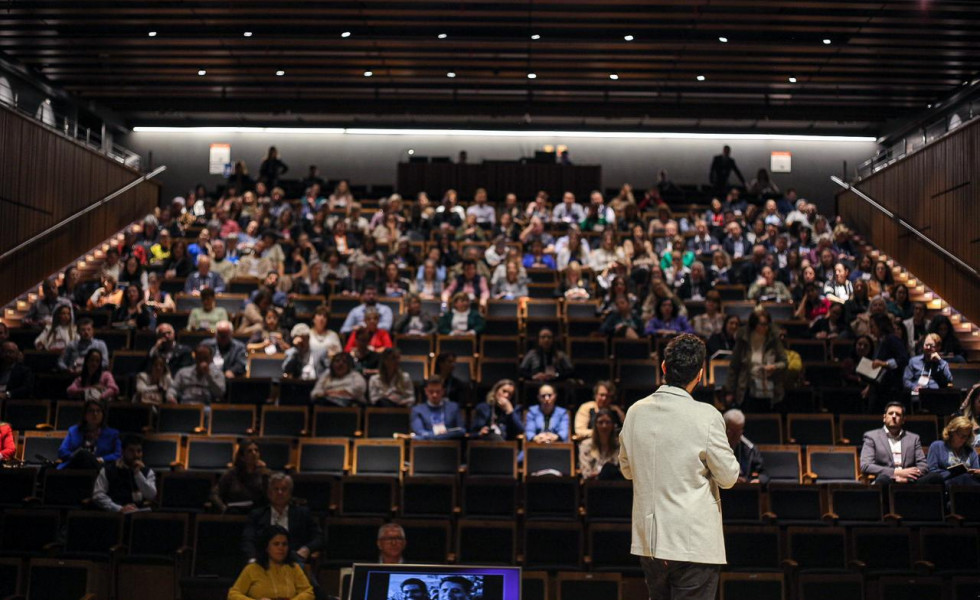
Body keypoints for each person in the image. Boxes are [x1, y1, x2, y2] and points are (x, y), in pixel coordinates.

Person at [620, 334, 739, 600]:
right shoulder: (707, 416)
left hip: (650, 543)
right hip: (692, 543)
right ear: (700, 373)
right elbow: (729, 477)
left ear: (663, 367)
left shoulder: (635, 412)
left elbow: (627, 470)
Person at [242, 473, 323, 564]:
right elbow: (248, 540)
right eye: (276, 489)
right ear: (269, 493)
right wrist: (252, 559)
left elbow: (319, 537)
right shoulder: (257, 515)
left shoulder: (302, 514)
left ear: (290, 493)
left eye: (284, 489)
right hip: (264, 562)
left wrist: (306, 549)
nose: (279, 493)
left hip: (294, 561)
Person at [227, 525, 314, 600]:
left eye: (284, 544)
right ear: (266, 547)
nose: (281, 548)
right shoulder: (252, 568)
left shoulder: (294, 567)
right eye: (276, 544)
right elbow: (233, 594)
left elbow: (308, 592)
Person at [725, 310, 787, 412]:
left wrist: (774, 367)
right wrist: (730, 391)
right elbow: (734, 366)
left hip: (768, 387)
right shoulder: (744, 338)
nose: (766, 327)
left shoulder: (774, 339)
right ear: (754, 324)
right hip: (746, 387)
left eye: (767, 324)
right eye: (762, 324)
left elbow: (784, 362)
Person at [859, 401, 928, 487]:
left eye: (898, 414)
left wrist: (907, 478)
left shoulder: (913, 438)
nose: (894, 416)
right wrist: (896, 473)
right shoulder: (871, 437)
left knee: (935, 477)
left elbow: (923, 465)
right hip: (886, 480)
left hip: (910, 481)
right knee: (883, 480)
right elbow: (866, 466)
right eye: (891, 413)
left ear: (903, 420)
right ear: (884, 418)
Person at [92, 435, 157, 513]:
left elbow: (151, 495)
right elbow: (98, 495)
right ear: (122, 451)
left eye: (139, 451)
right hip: (115, 514)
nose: (136, 455)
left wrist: (137, 474)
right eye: (131, 451)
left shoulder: (147, 472)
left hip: (139, 514)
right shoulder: (108, 470)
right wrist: (119, 508)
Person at [57, 398, 121, 469]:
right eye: (91, 411)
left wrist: (102, 459)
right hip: (75, 467)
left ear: (103, 414)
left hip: (100, 469)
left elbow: (118, 454)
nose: (95, 414)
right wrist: (77, 457)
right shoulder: (74, 431)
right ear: (85, 414)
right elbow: (62, 451)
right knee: (82, 454)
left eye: (98, 411)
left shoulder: (113, 434)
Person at [214, 438, 270, 513]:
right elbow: (214, 494)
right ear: (242, 457)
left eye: (256, 450)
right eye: (249, 451)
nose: (254, 453)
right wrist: (224, 509)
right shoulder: (231, 474)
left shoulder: (265, 473)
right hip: (234, 514)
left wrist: (265, 475)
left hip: (257, 515)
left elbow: (269, 497)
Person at [922, 417, 980, 488]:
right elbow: (933, 471)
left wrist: (977, 472)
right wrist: (953, 474)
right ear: (952, 432)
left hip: (968, 486)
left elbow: (975, 470)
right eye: (961, 435)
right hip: (946, 485)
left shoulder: (970, 450)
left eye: (966, 436)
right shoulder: (937, 446)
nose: (963, 439)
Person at [723, 409, 768, 484]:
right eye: (732, 432)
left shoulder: (750, 448)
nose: (736, 436)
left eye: (738, 432)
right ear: (723, 428)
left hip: (745, 489)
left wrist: (758, 480)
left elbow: (764, 474)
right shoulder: (714, 446)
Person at [579, 408, 621, 479]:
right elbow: (586, 472)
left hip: (614, 484)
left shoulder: (620, 446)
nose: (604, 426)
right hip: (593, 485)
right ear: (595, 425)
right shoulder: (586, 445)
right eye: (600, 422)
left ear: (613, 425)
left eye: (608, 422)